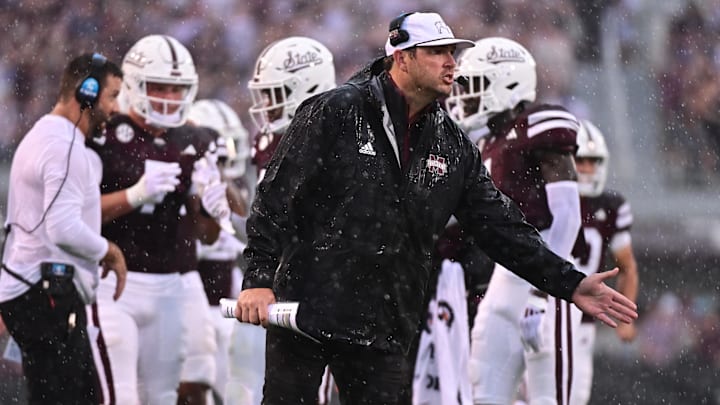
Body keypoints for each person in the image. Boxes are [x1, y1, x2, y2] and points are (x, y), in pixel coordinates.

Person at [234, 12, 637, 405]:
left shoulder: (452, 145)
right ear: (401, 57)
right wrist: (258, 278)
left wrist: (568, 282)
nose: (451, 62)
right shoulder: (336, 110)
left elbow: (501, 228)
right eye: (436, 52)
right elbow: (274, 199)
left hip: (383, 324)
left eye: (452, 52)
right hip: (307, 309)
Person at [89, 35, 230, 405]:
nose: (168, 99)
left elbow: (210, 236)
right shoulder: (103, 135)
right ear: (134, 84)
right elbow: (77, 213)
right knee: (120, 396)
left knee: (163, 397)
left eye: (176, 89)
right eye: (159, 88)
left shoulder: (196, 138)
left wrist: (210, 203)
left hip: (170, 287)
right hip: (114, 285)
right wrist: (134, 195)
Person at [446, 36, 584, 404]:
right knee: (483, 394)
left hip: (544, 275)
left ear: (504, 84)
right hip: (505, 280)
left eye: (472, 86)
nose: (463, 97)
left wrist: (546, 288)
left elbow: (567, 213)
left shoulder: (535, 126)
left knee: (548, 398)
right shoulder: (489, 143)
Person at [0, 53, 127, 405]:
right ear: (86, 95)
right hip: (45, 295)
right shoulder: (63, 145)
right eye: (112, 95)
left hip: (37, 293)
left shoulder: (48, 136)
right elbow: (62, 228)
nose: (116, 108)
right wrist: (109, 252)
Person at [226, 36, 338, 405]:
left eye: (275, 95)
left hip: (325, 287)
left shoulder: (335, 140)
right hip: (282, 287)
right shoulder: (268, 142)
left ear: (305, 90)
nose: (266, 107)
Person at [187, 98, 253, 404]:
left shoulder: (231, 190)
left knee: (239, 391)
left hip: (228, 307)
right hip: (194, 303)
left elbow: (241, 227)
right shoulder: (182, 185)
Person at [570, 120, 639, 405]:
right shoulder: (547, 197)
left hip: (583, 318)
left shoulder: (610, 206)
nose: (587, 169)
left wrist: (625, 318)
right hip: (542, 308)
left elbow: (628, 267)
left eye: (593, 161)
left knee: (573, 396)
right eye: (581, 160)